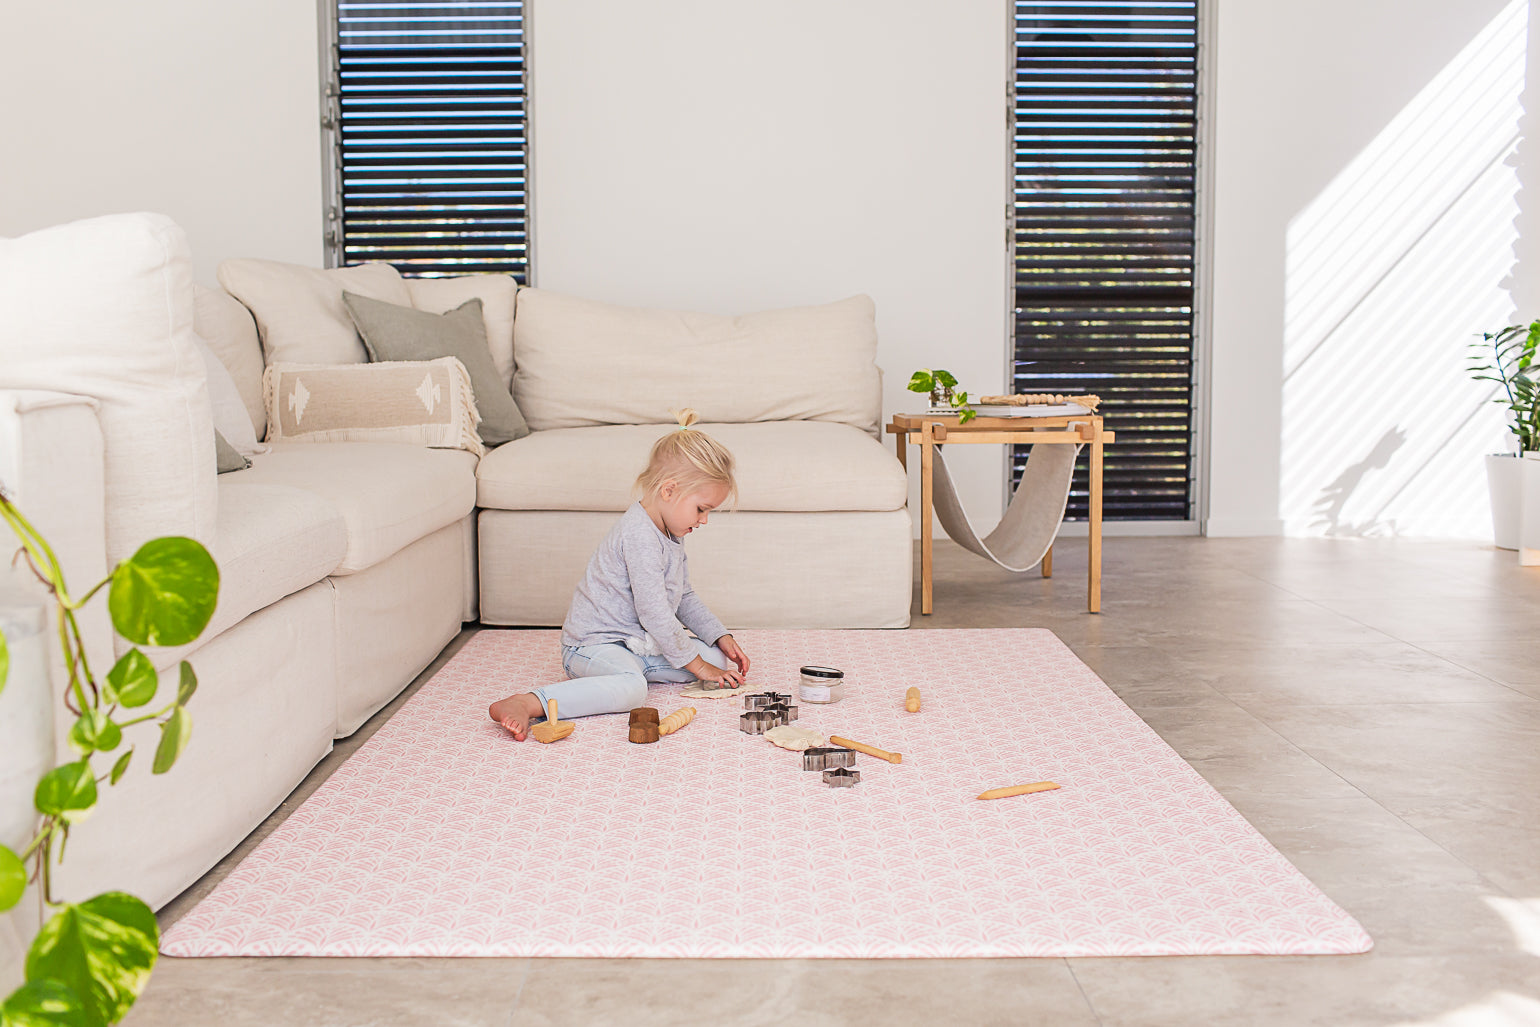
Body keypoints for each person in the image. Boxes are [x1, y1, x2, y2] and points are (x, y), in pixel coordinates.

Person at [488, 408, 751, 740]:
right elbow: (655, 613)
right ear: (668, 491)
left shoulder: (672, 533)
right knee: (632, 690)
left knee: (715, 659)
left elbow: (683, 596)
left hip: (634, 644)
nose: (704, 521)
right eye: (701, 509)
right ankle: (528, 703)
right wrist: (696, 666)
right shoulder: (639, 535)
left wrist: (720, 637)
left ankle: (633, 671)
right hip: (594, 644)